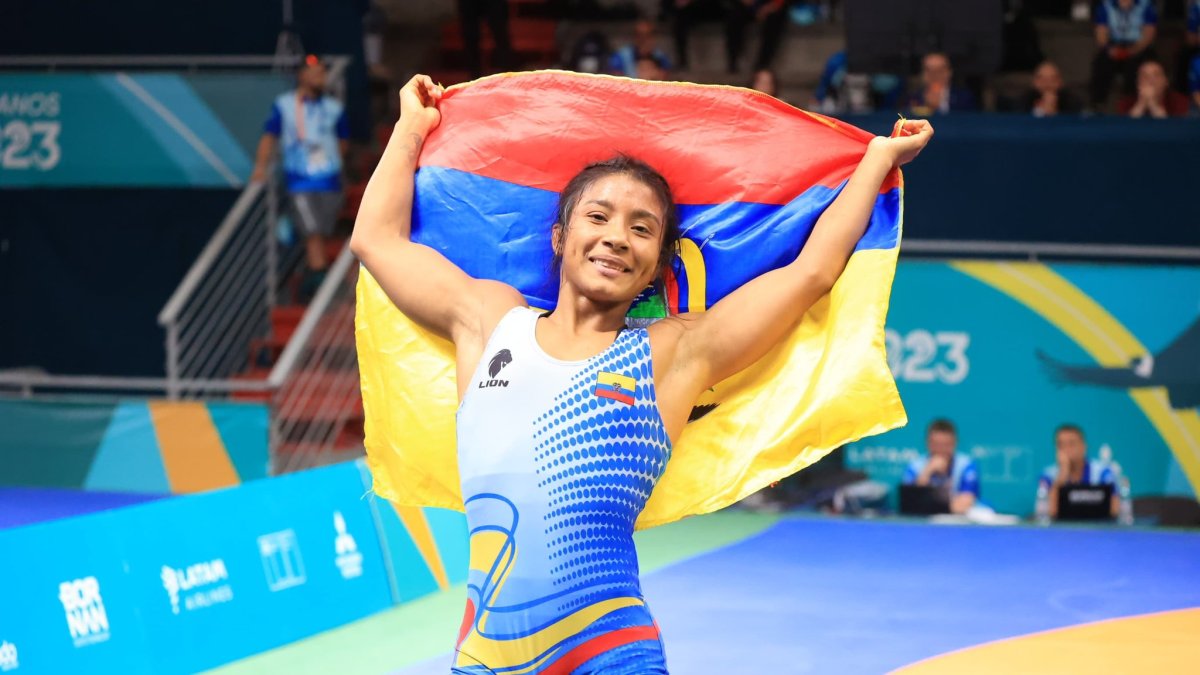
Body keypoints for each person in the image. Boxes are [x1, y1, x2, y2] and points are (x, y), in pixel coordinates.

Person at [350, 74, 933, 673]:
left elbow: (810, 273)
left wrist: (876, 161)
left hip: (610, 654)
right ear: (560, 237)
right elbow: (376, 239)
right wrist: (409, 130)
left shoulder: (673, 354)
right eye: (598, 217)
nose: (615, 239)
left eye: (641, 228)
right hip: (484, 658)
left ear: (657, 265)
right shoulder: (490, 322)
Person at [251, 55, 349, 298]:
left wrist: (332, 160)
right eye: (314, 73)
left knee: (321, 230)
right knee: (312, 230)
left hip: (330, 180)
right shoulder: (284, 105)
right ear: (302, 75)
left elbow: (343, 141)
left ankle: (316, 275)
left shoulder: (334, 108)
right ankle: (321, 279)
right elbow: (269, 136)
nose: (320, 77)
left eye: (322, 73)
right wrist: (261, 167)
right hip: (300, 179)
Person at [1036, 424, 1120, 520]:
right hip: (1061, 532)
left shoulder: (1103, 473)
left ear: (1083, 446)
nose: (1066, 449)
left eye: (1071, 444)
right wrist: (1061, 478)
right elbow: (1046, 515)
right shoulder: (1048, 475)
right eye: (1060, 445)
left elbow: (1115, 511)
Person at [1089, 0, 1157, 111]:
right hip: (1114, 45)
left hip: (1138, 46)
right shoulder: (1106, 5)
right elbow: (1101, 35)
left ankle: (1131, 104)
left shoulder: (1146, 5)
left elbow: (1149, 34)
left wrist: (1132, 50)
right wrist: (1109, 49)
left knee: (1137, 65)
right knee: (1101, 62)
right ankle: (1097, 104)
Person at [901, 419, 980, 515]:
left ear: (955, 443)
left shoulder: (966, 465)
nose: (941, 450)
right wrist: (927, 472)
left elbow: (965, 502)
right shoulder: (914, 467)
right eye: (936, 445)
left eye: (946, 445)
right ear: (928, 443)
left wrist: (931, 506)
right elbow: (910, 504)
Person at [908, 52, 978, 116]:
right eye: (929, 70)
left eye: (940, 70)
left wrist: (941, 104)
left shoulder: (964, 98)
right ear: (922, 73)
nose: (934, 75)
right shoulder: (912, 99)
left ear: (949, 72)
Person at [1117, 59, 1190, 118]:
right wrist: (1141, 104)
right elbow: (1126, 130)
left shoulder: (1180, 101)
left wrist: (1153, 105)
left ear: (1166, 81)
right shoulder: (1125, 103)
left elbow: (1172, 131)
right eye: (1145, 76)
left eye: (1156, 75)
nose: (1150, 80)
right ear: (1137, 82)